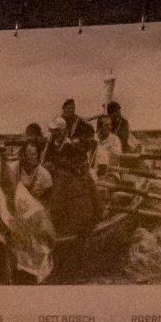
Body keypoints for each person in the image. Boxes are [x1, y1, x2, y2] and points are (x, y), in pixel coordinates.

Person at [0, 142, 56, 284]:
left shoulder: (44, 175)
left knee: (36, 236)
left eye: (35, 154)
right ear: (24, 157)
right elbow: (9, 188)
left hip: (37, 210)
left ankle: (34, 266)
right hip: (21, 207)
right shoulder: (17, 171)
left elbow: (49, 200)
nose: (33, 157)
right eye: (30, 155)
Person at [45, 98, 101, 236]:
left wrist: (58, 167)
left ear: (60, 131)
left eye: (53, 130)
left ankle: (58, 224)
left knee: (61, 198)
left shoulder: (71, 145)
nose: (50, 132)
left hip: (72, 176)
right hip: (61, 174)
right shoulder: (52, 143)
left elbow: (78, 162)